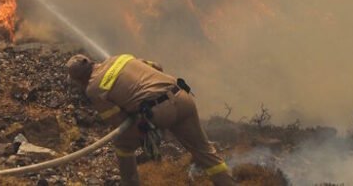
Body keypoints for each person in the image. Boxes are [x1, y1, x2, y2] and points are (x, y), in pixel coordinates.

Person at [65, 53, 235, 186]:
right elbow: (158, 66)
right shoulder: (121, 58)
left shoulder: (93, 89)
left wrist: (141, 127)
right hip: (182, 96)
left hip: (158, 111)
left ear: (79, 79)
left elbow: (118, 122)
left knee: (122, 144)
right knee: (204, 152)